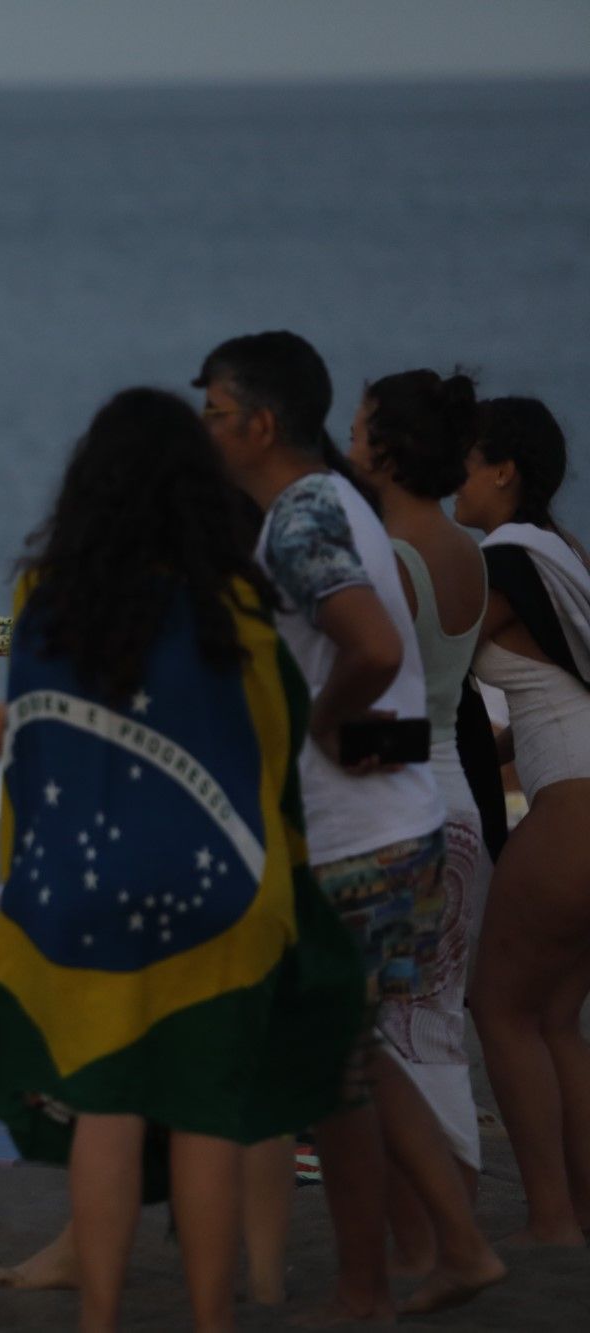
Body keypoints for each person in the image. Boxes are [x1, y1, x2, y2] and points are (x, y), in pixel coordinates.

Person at [0, 387, 363, 1332]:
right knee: (203, 1115)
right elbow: (272, 747)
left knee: (106, 1106)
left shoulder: (42, 598)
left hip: (82, 892)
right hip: (213, 896)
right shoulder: (232, 603)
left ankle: (99, 1317)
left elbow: (38, 744)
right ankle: (211, 1320)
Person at [199, 331, 504, 1318]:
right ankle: (452, 1247)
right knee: (354, 1052)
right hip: (387, 821)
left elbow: (370, 648)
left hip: (356, 839)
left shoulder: (300, 518)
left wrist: (319, 722)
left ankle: (363, 1285)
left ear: (257, 422)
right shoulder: (331, 507)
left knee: (328, 1068)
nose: (203, 432)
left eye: (212, 414)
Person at [345, 369, 495, 1267]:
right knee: (436, 1028)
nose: (350, 445)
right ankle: (451, 1234)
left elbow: (377, 707)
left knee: (378, 1038)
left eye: (360, 432)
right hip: (463, 798)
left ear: (388, 449)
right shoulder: (472, 553)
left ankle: (417, 1244)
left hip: (401, 802)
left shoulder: (392, 560)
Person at [457, 396, 590, 1248]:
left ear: (503, 469)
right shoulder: (563, 554)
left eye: (464, 466)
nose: (453, 485)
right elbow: (553, 704)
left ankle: (549, 1219)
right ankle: (577, 1212)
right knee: (554, 1020)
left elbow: (421, 673)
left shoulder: (499, 563)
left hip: (573, 812)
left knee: (497, 1007)